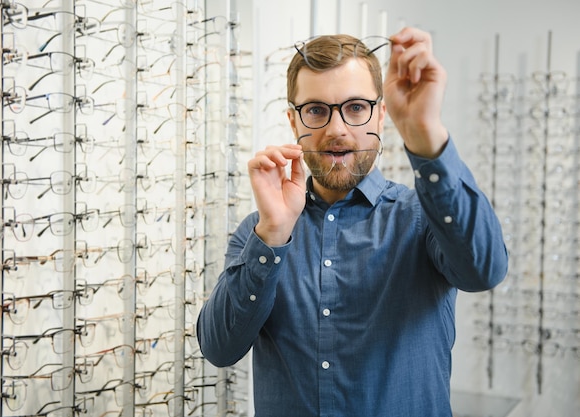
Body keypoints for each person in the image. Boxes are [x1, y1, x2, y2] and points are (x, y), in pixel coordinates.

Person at [197, 27, 508, 416]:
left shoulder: (421, 219)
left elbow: (485, 270)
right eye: (316, 110)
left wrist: (425, 133)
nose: (337, 130)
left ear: (380, 114)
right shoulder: (258, 233)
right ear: (294, 122)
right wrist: (272, 235)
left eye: (356, 107)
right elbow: (219, 349)